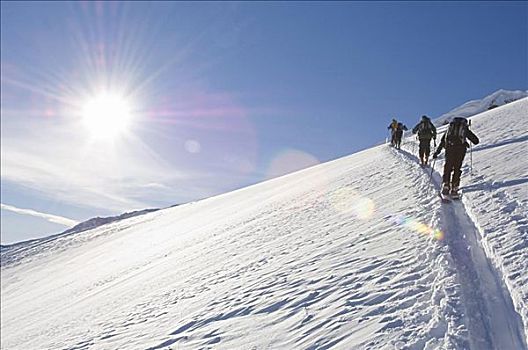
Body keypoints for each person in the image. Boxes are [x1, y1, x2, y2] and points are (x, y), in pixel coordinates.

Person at [433, 117, 479, 196]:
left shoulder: (449, 129)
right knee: (457, 168)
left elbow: (443, 141)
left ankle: (446, 185)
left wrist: (437, 152)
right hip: (460, 150)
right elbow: (476, 141)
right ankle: (455, 187)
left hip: (449, 149)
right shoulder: (464, 128)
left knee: (448, 166)